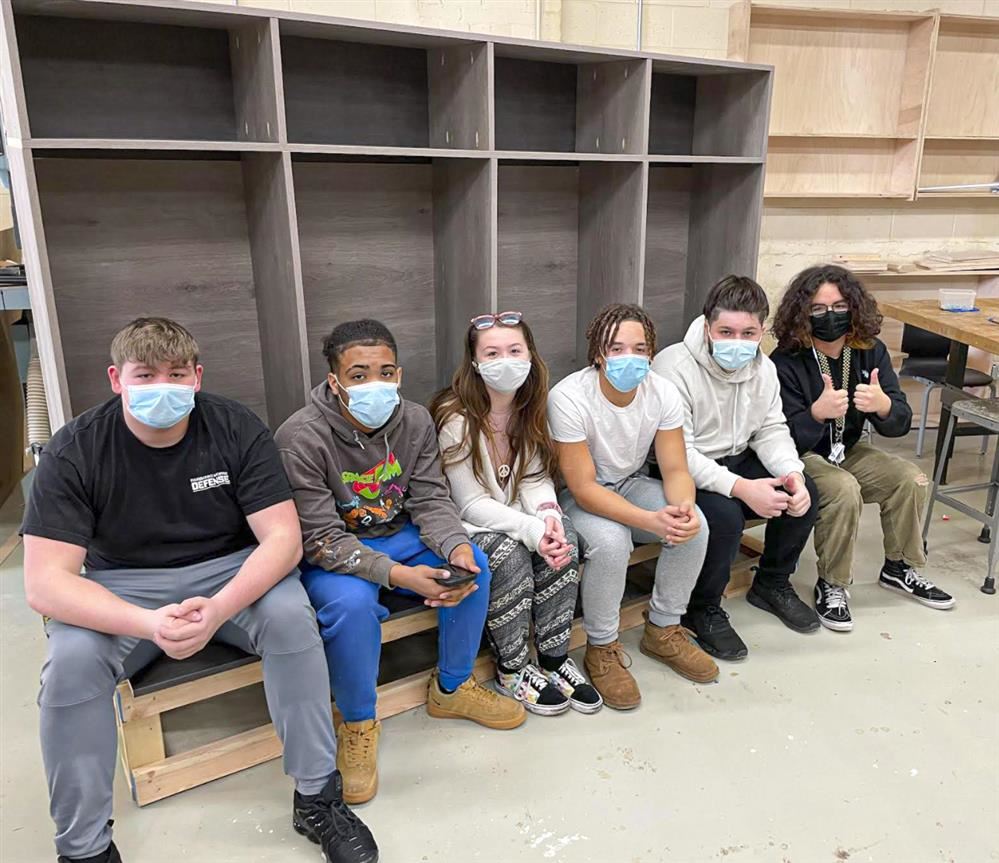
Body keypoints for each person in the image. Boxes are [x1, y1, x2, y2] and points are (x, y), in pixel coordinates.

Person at [20, 318, 377, 863]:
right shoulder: (77, 449)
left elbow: (281, 540)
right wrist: (149, 625)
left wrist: (218, 610)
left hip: (230, 572)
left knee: (289, 616)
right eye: (145, 375)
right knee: (70, 662)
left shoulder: (235, 427)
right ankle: (84, 849)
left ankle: (317, 797)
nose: (162, 387)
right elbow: (46, 583)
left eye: (176, 373)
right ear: (117, 379)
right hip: (122, 586)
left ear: (197, 376)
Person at [275, 319, 524, 806]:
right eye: (359, 374)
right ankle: (359, 722)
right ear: (335, 381)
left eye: (386, 372)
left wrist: (452, 545)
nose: (376, 385)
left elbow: (431, 499)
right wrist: (398, 575)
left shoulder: (413, 420)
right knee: (350, 608)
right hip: (335, 550)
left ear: (400, 373)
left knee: (473, 561)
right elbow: (320, 537)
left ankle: (452, 688)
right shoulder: (299, 437)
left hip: (400, 534)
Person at [430, 311, 602, 716]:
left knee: (566, 538)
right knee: (508, 557)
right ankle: (512, 669)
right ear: (474, 362)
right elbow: (469, 503)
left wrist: (549, 517)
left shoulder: (530, 407)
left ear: (530, 355)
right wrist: (531, 529)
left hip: (513, 515)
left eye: (514, 350)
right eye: (491, 353)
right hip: (463, 525)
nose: (504, 360)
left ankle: (555, 658)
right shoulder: (454, 417)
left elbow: (535, 478)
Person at [548, 303, 716, 711]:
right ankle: (601, 647)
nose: (629, 357)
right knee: (610, 541)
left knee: (697, 527)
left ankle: (664, 628)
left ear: (652, 352)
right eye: (616, 348)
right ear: (598, 353)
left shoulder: (662, 392)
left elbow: (676, 467)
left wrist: (681, 509)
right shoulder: (569, 397)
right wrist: (649, 520)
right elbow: (584, 488)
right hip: (576, 494)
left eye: (639, 348)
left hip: (630, 483)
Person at [771, 264, 955, 631]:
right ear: (803, 314)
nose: (831, 316)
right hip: (802, 454)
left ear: (854, 308)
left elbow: (900, 421)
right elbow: (779, 438)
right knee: (843, 489)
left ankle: (900, 567)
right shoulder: (786, 360)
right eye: (819, 309)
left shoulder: (870, 352)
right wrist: (816, 414)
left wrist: (883, 406)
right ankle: (833, 584)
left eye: (839, 307)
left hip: (847, 448)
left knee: (910, 478)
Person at [652, 276, 820, 659]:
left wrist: (790, 471)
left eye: (748, 333)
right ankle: (703, 608)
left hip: (737, 455)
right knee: (724, 518)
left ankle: (773, 583)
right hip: (681, 466)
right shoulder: (673, 367)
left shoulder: (764, 369)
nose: (737, 342)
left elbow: (770, 429)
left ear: (762, 330)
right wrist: (741, 488)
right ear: (708, 326)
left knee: (805, 488)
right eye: (725, 331)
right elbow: (680, 452)